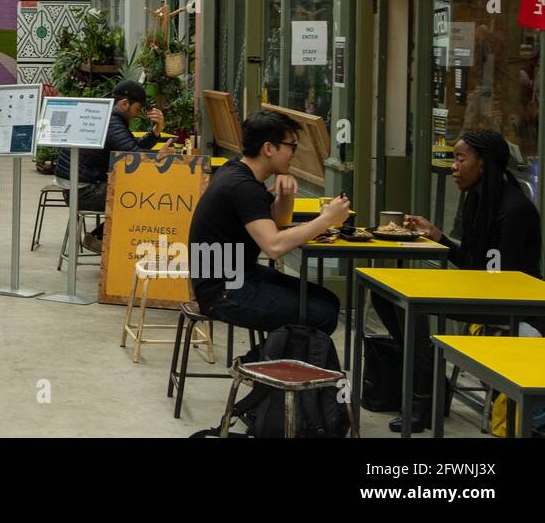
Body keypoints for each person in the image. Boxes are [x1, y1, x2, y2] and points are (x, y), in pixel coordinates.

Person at [372, 129, 543, 432]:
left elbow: (505, 279)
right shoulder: (476, 200)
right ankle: (427, 384)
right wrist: (438, 236)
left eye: (460, 159)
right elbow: (474, 264)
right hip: (481, 292)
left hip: (510, 305)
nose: (453, 166)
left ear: (483, 164)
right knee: (386, 296)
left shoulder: (515, 210)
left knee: (413, 308)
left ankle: (423, 401)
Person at [188, 110, 349, 336]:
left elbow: (278, 224)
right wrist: (328, 219)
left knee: (328, 300)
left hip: (239, 275)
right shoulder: (243, 187)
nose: (294, 153)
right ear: (269, 148)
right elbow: (274, 247)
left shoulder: (238, 170)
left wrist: (286, 194)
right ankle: (254, 365)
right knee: (322, 315)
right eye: (291, 147)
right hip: (223, 290)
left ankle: (269, 362)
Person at [55, 79, 170, 253]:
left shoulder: (106, 116)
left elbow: (130, 147)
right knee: (139, 199)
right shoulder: (112, 122)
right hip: (83, 191)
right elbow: (133, 156)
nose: (137, 114)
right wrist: (160, 156)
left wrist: (155, 131)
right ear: (124, 103)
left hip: (75, 187)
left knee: (136, 195)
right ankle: (99, 239)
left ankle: (106, 241)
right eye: (137, 109)